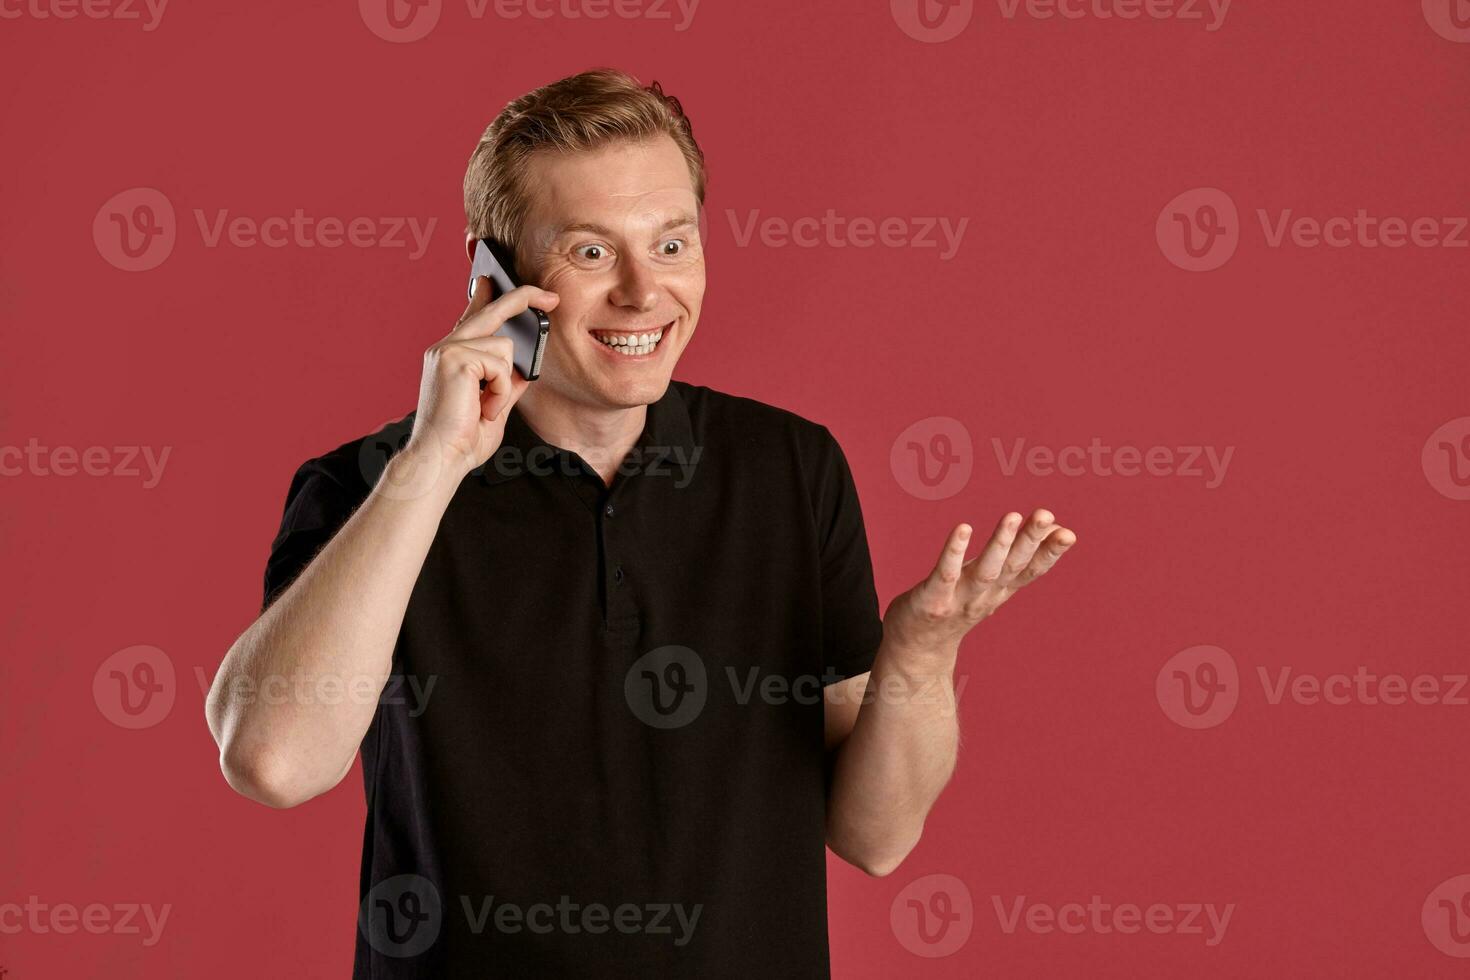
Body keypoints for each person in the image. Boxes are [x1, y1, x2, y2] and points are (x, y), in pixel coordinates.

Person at [204, 67, 1076, 978]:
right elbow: (273, 762)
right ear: (492, 272)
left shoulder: (789, 466)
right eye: (589, 252)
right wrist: (433, 464)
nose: (641, 293)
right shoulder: (371, 485)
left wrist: (921, 658)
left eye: (671, 245)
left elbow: (877, 838)